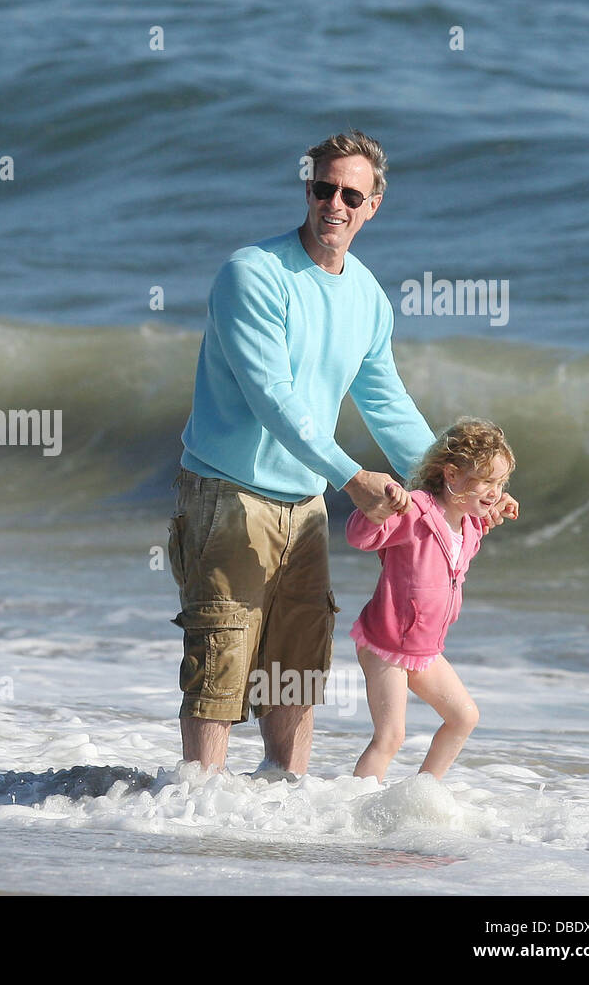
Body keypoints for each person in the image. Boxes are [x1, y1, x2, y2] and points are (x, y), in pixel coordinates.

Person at [169, 130, 517, 776]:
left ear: (373, 204)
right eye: (324, 188)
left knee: (294, 667)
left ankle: (283, 793)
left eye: (351, 194)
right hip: (227, 493)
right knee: (223, 656)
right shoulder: (253, 273)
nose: (336, 203)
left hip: (301, 503)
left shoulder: (365, 296)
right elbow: (271, 393)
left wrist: (461, 490)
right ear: (308, 189)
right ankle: (197, 811)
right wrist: (349, 475)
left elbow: (387, 403)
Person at [346, 418, 516, 781]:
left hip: (424, 648)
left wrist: (491, 512)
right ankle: (351, 809)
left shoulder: (469, 524)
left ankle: (422, 793)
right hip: (384, 644)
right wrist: (381, 509)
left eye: (500, 483)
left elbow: (453, 552)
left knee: (464, 717)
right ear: (451, 475)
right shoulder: (415, 512)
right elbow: (362, 538)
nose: (494, 490)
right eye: (486, 481)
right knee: (391, 737)